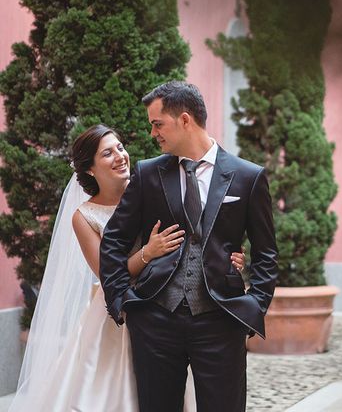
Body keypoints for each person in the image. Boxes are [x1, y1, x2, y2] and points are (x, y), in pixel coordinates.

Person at [8, 124, 246, 411]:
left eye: (120, 147)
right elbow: (106, 273)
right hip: (117, 312)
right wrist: (148, 252)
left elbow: (194, 236)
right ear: (90, 169)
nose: (120, 156)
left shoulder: (152, 188)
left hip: (166, 301)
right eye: (107, 153)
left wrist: (228, 258)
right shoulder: (84, 217)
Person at [100, 80, 279, 412]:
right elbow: (113, 239)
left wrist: (253, 307)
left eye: (158, 124)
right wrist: (121, 298)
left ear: (184, 119)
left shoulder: (247, 177)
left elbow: (267, 252)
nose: (153, 133)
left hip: (221, 319)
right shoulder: (148, 173)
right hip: (155, 319)